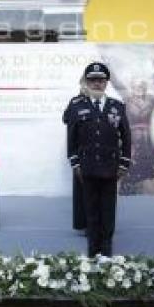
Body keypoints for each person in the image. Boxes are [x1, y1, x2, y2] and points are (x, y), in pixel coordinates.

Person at [67, 62, 131, 257]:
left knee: (108, 209)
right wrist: (75, 162)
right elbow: (71, 136)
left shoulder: (117, 107)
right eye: (92, 80)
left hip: (110, 167)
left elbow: (126, 136)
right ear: (86, 82)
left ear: (106, 83)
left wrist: (124, 163)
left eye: (100, 80)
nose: (96, 84)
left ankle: (107, 247)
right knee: (91, 209)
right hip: (86, 168)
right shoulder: (77, 105)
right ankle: (93, 249)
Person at [62, 75, 88, 233]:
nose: (87, 85)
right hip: (80, 151)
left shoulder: (104, 101)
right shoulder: (75, 101)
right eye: (84, 83)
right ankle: (83, 224)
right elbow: (65, 118)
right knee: (81, 190)